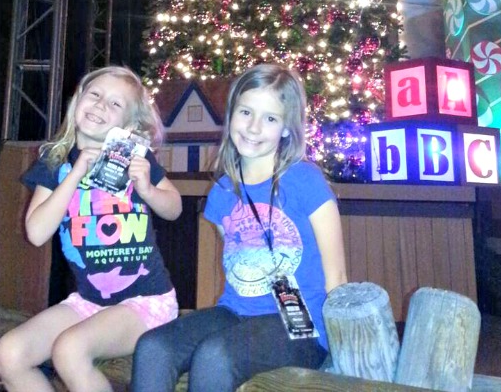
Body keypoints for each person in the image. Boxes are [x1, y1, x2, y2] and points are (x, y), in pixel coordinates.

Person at [131, 64, 347, 392]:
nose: (254, 127)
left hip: (302, 326)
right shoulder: (222, 192)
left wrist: (342, 351)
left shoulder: (306, 181)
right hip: (236, 312)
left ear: (286, 129)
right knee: (152, 348)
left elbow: (337, 279)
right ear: (232, 113)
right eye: (246, 112)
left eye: (270, 118)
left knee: (215, 356)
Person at [0, 66, 182, 392]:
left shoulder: (137, 160)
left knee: (70, 350)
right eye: (95, 94)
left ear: (129, 124)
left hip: (146, 302)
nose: (100, 105)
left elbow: (174, 208)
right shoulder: (56, 162)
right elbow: (36, 232)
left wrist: (149, 190)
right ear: (78, 99)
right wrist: (75, 171)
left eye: (115, 104)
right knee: (9, 354)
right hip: (89, 301)